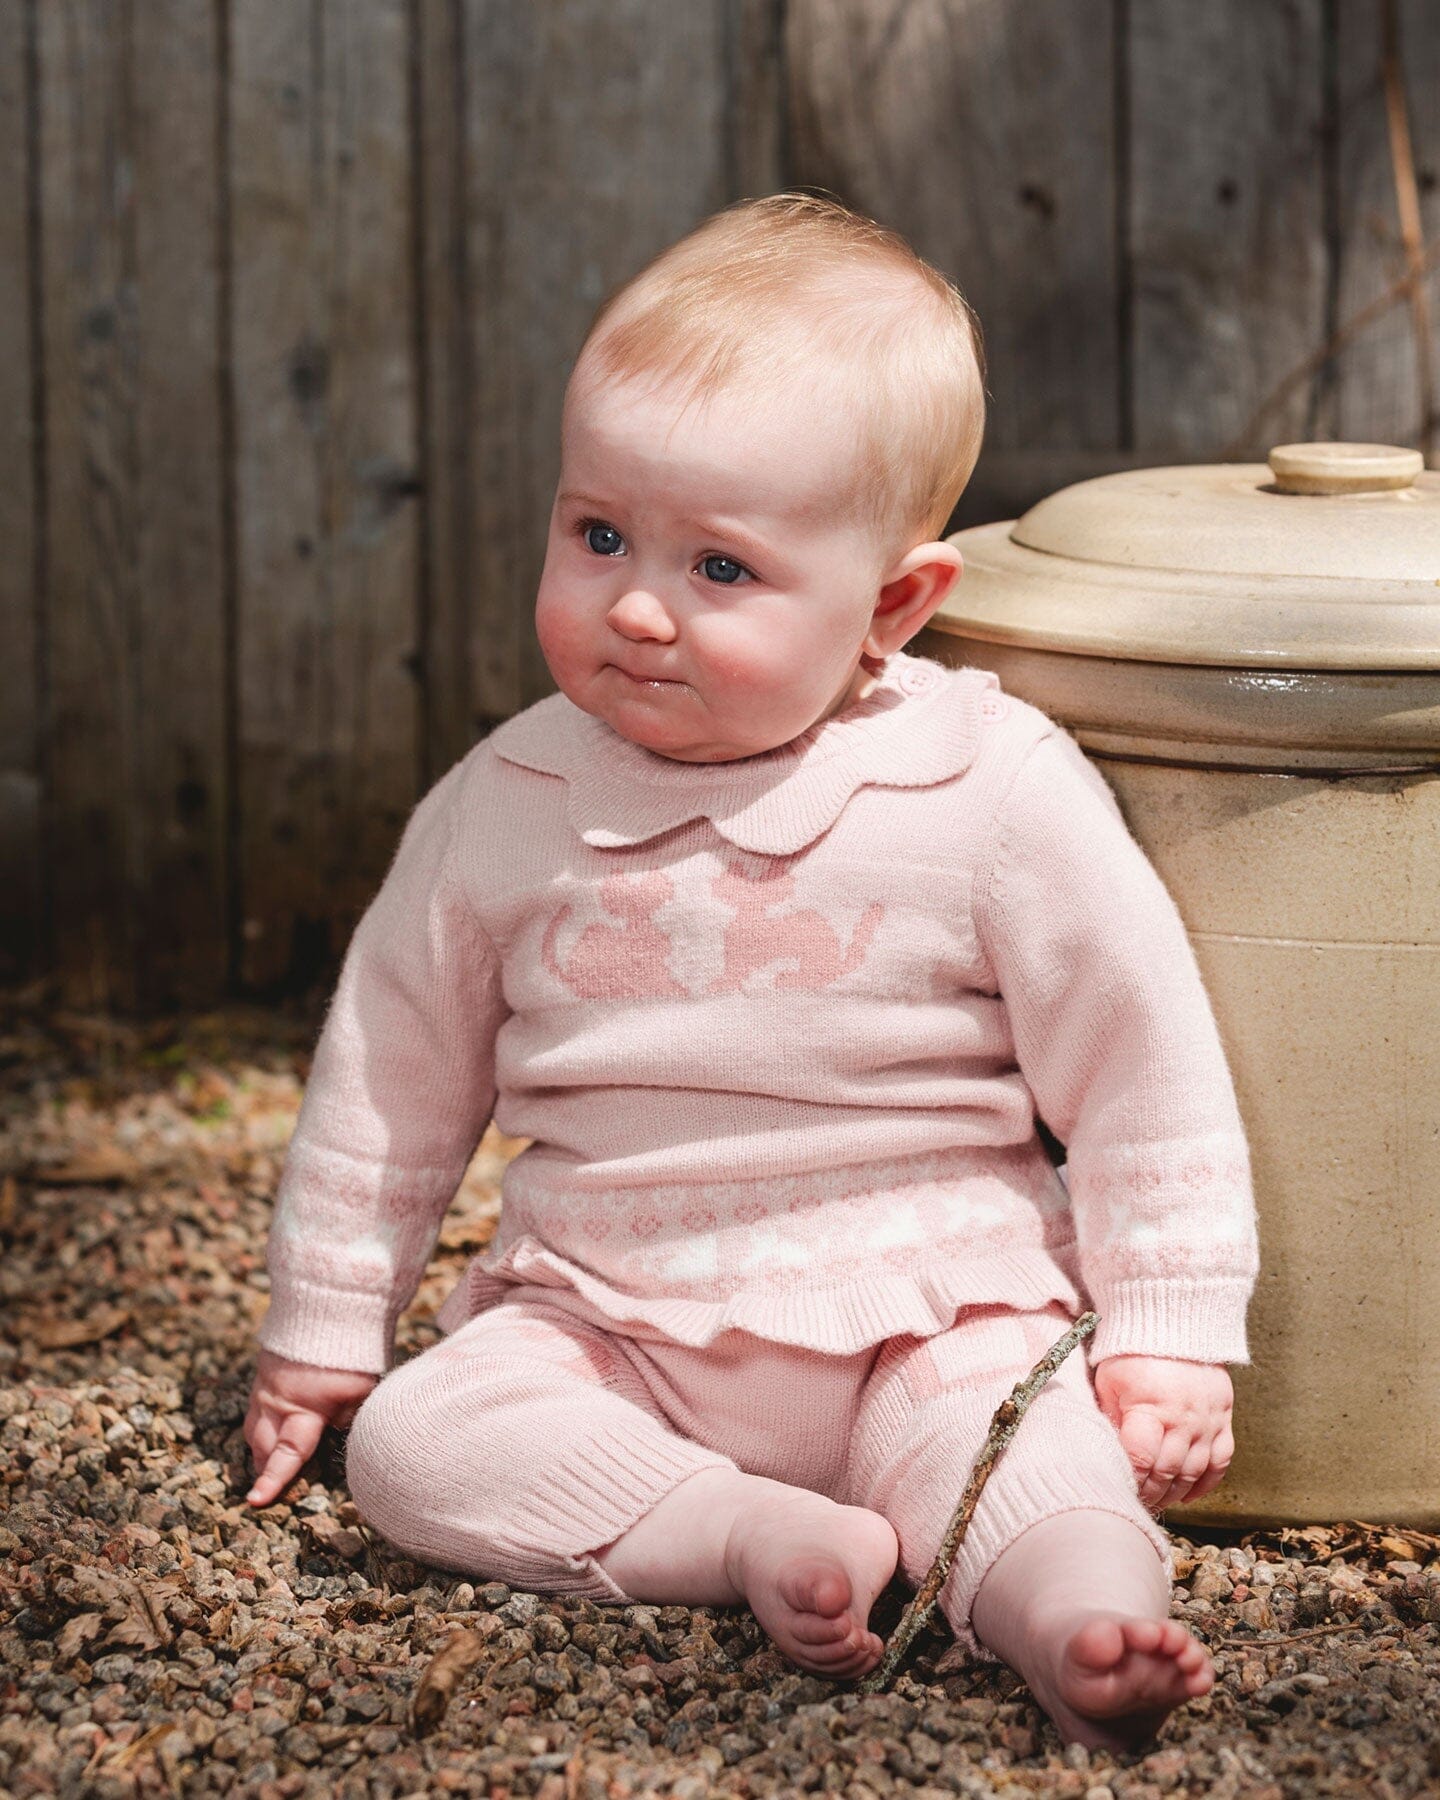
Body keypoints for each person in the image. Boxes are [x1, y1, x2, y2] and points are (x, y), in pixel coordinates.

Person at [243, 192, 1259, 1751]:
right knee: (423, 1444)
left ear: (894, 606)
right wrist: (325, 1331)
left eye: (722, 569)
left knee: (1029, 1449)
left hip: (927, 1305)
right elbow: (390, 1077)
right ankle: (737, 1536)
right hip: (615, 1324)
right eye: (598, 537)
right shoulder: (505, 805)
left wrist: (1168, 1322)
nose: (638, 607)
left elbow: (1136, 1055)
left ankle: (1081, 1621)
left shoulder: (987, 788)